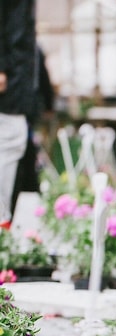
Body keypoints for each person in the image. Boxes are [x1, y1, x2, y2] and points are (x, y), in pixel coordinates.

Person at [0, 0, 37, 229]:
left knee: (12, 141)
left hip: (16, 78)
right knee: (9, 139)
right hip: (10, 82)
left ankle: (3, 220)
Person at [11, 44, 55, 217]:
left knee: (22, 157)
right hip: (22, 111)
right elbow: (43, 78)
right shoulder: (33, 49)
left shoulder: (32, 49)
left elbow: (43, 78)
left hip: (22, 111)